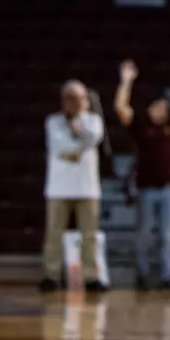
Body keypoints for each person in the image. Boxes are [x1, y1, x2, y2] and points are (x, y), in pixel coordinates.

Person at [114, 58, 170, 291]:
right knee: (144, 234)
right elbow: (121, 109)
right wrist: (126, 82)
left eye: (163, 107)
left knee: (167, 234)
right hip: (146, 188)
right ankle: (142, 275)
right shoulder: (141, 126)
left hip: (167, 188)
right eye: (156, 106)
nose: (159, 110)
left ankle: (167, 276)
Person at [40, 81, 106, 292]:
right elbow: (60, 146)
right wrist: (79, 144)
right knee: (53, 234)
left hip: (87, 188)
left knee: (89, 236)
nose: (73, 103)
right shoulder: (53, 122)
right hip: (58, 188)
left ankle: (91, 276)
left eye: (78, 98)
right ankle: (51, 275)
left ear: (85, 100)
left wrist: (78, 137)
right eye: (69, 98)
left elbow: (93, 139)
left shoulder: (94, 121)